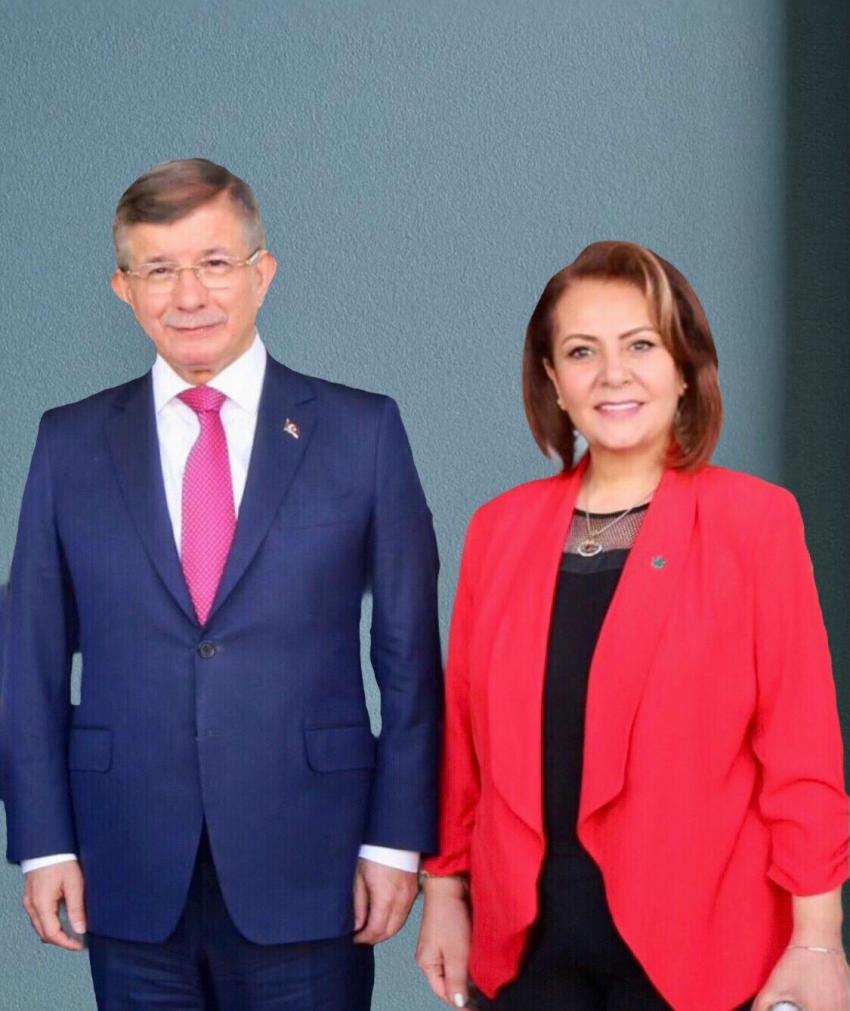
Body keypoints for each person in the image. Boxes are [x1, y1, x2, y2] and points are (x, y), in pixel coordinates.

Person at [4, 158, 442, 1010]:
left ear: (262, 273)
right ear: (124, 288)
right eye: (158, 270)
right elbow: (29, 660)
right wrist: (44, 841)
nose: (189, 295)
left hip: (313, 857)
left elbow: (410, 660)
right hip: (124, 860)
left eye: (214, 262)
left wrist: (396, 839)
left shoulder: (362, 433)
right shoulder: (68, 443)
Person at [416, 241, 849, 1011]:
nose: (613, 373)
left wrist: (818, 938)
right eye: (582, 351)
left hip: (701, 954)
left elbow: (801, 750)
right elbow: (464, 740)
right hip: (526, 951)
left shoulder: (756, 522)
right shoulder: (499, 529)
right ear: (553, 379)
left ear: (685, 367)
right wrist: (445, 893)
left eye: (641, 345)